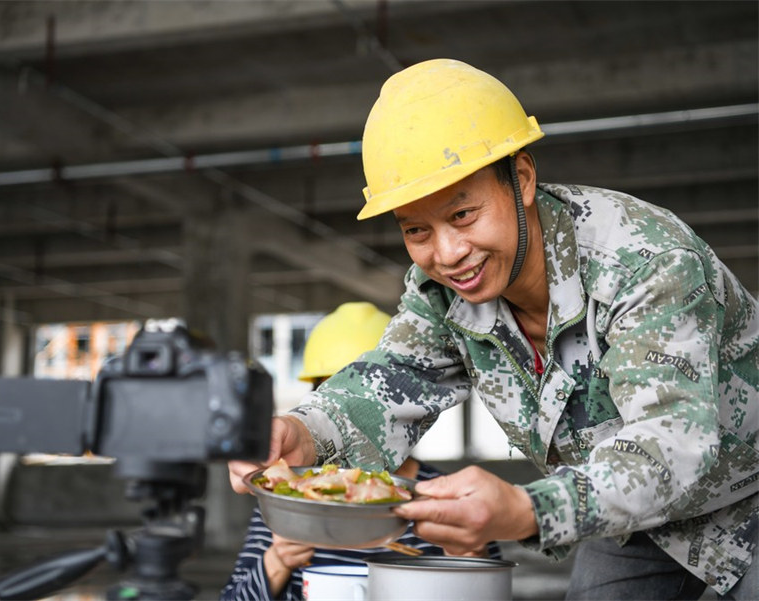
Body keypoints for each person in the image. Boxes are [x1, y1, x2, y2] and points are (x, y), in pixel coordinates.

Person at [229, 59, 758, 600]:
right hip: (630, 512)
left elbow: (674, 441)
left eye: (462, 216)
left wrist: (529, 509)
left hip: (747, 492)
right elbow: (391, 380)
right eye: (417, 229)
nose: (448, 254)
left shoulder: (644, 259)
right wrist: (304, 432)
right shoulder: (439, 292)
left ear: (521, 179)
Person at [221, 301, 501, 601]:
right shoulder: (289, 499)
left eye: (366, 400)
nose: (350, 412)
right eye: (331, 394)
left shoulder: (444, 498)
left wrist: (470, 561)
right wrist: (278, 561)